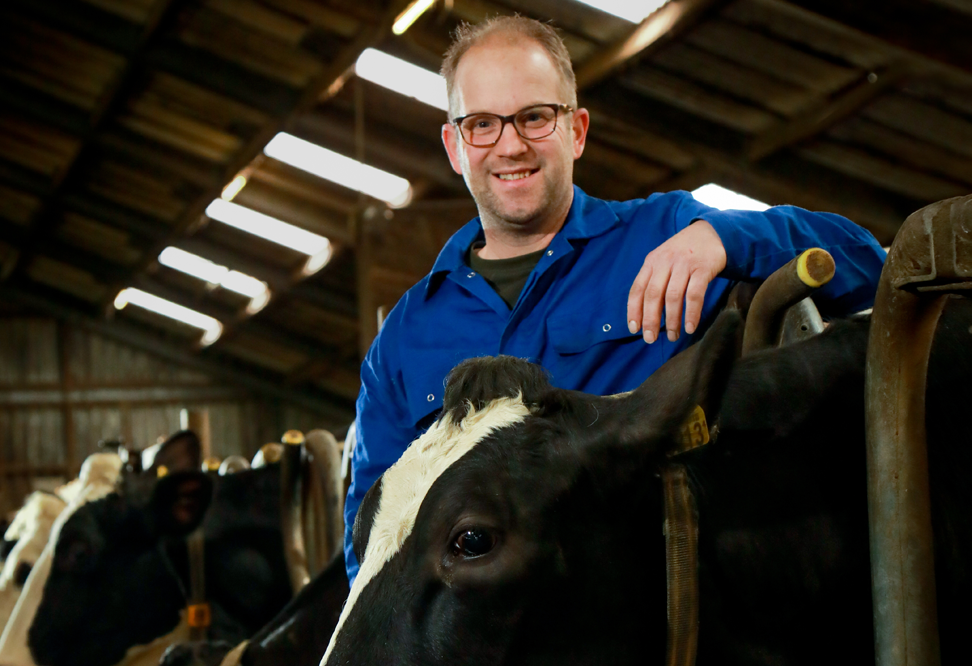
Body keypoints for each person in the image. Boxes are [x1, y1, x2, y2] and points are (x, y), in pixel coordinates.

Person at [343, 16, 886, 584]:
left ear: (576, 130)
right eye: (482, 124)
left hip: (656, 605)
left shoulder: (665, 232)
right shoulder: (403, 341)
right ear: (455, 147)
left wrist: (726, 239)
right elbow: (371, 539)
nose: (510, 144)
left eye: (534, 116)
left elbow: (865, 260)